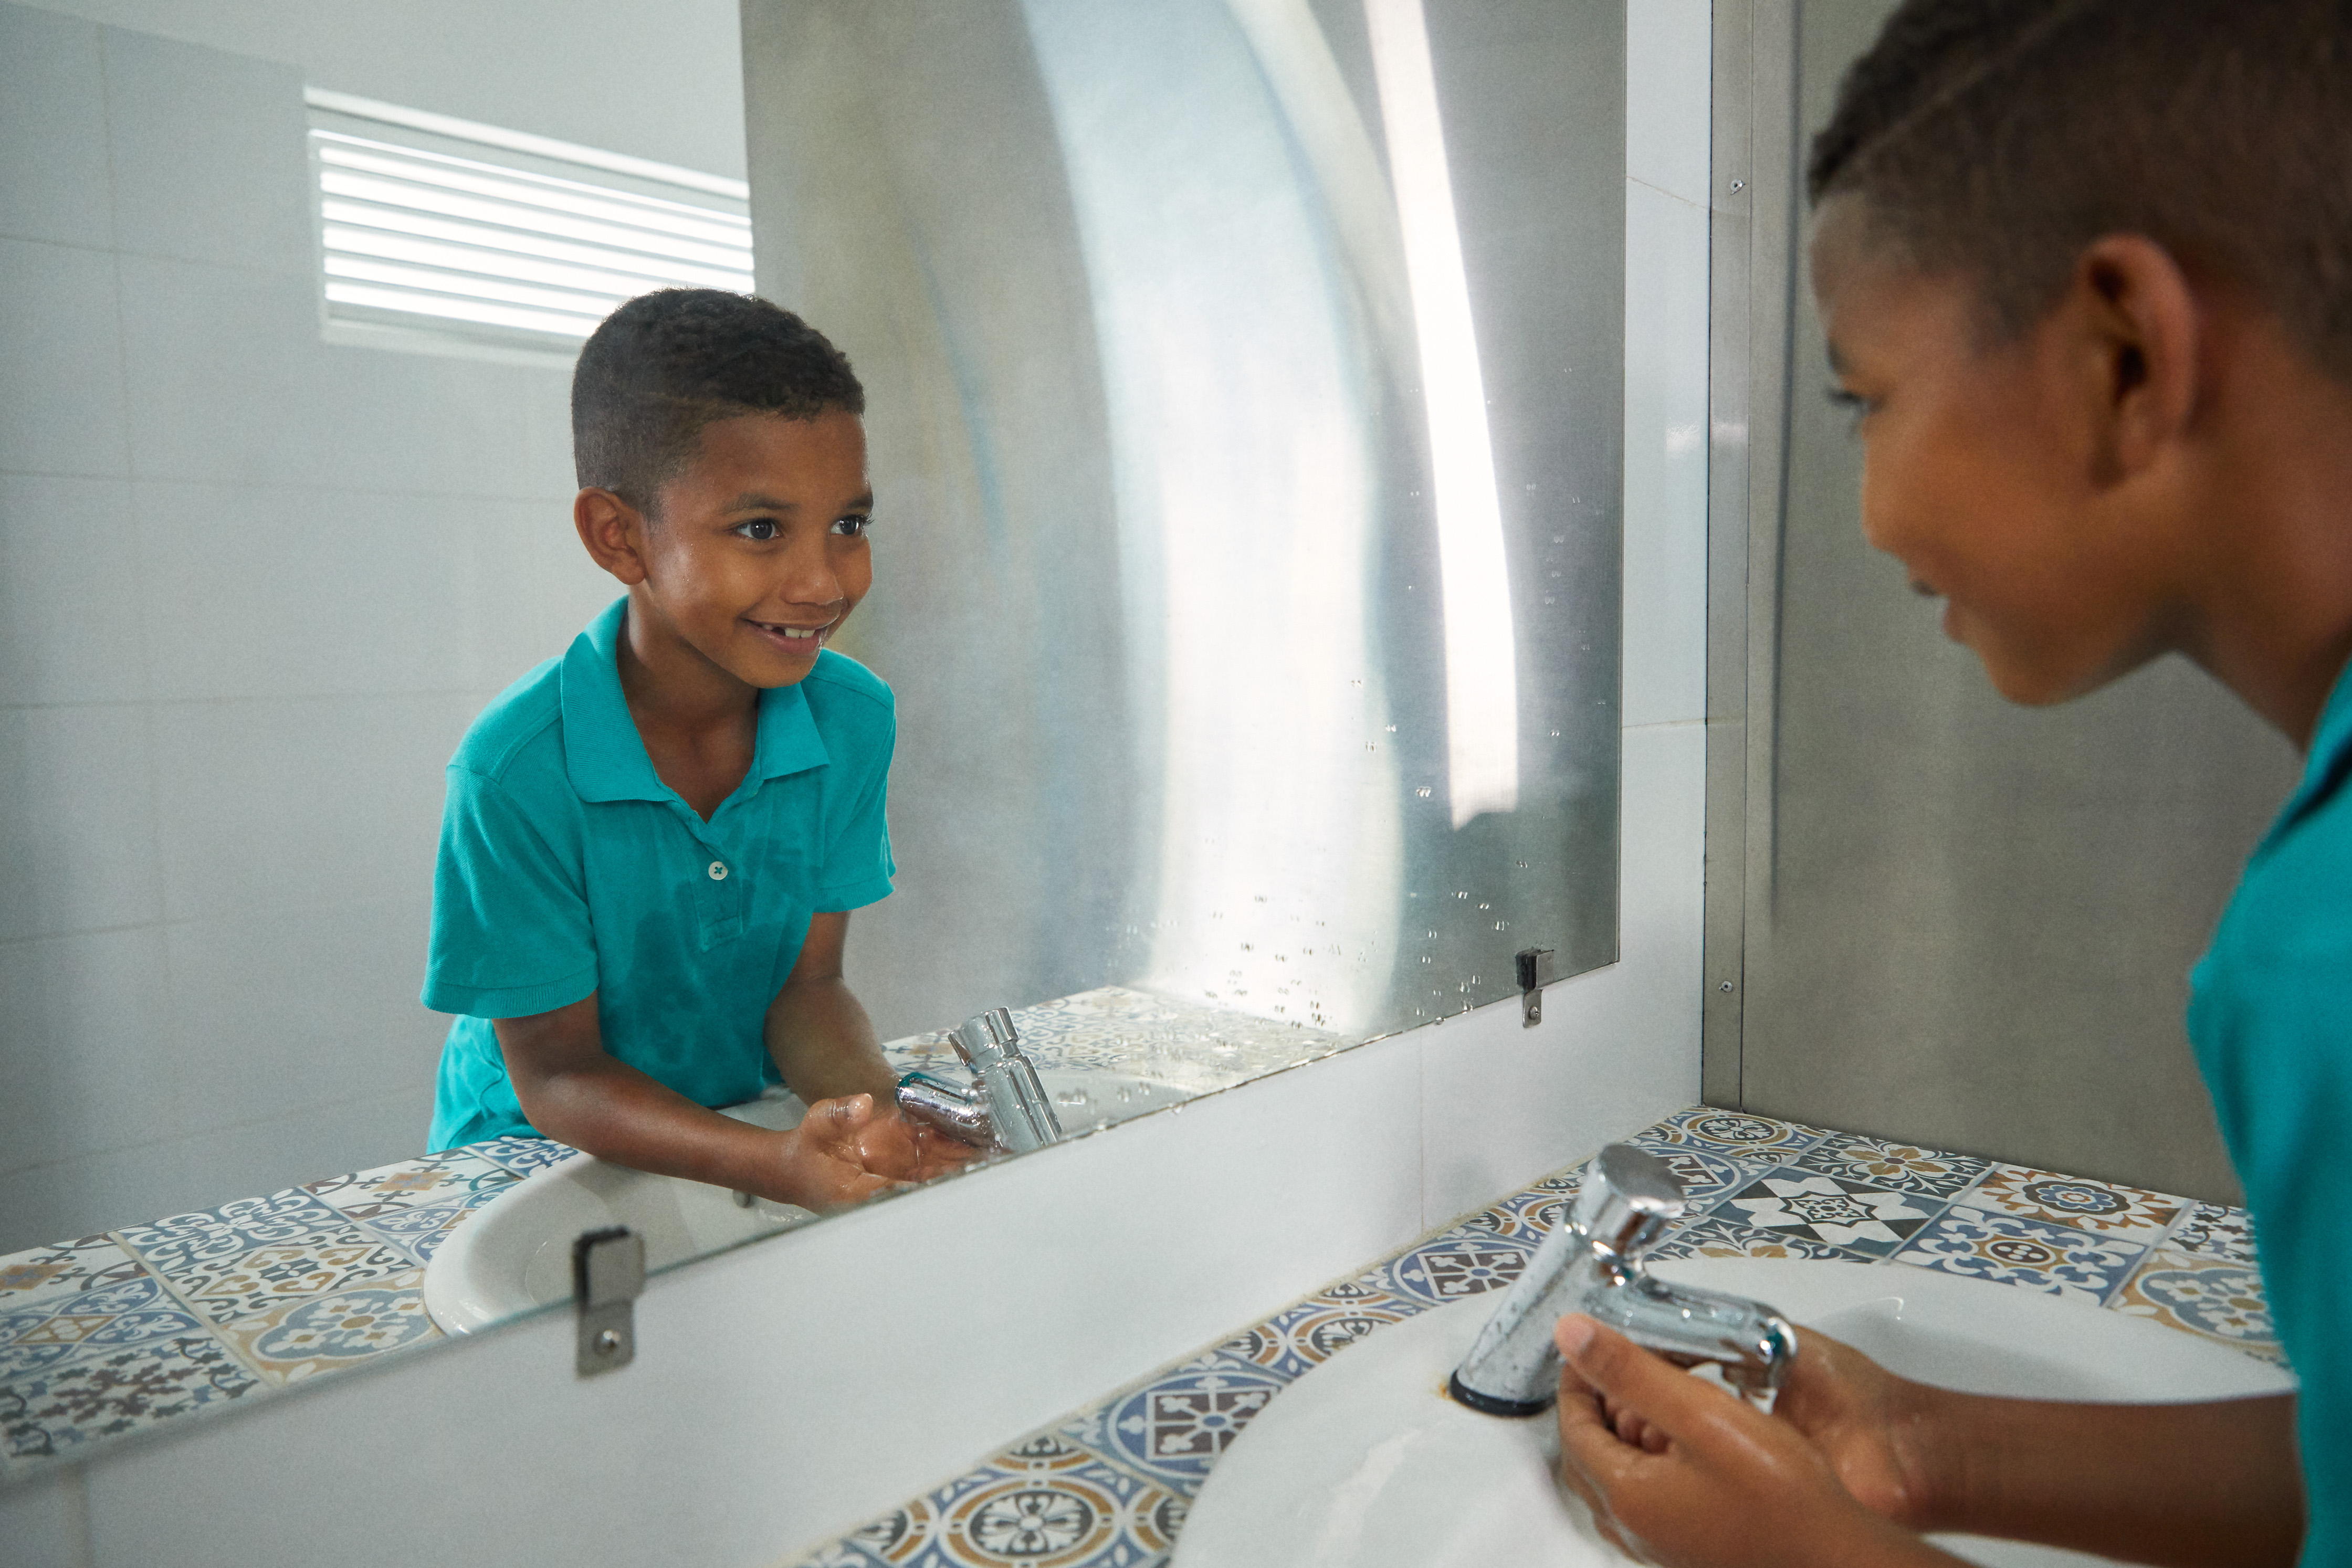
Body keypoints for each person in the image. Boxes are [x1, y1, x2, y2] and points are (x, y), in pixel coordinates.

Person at [1551, 1, 2352, 1563]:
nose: (1863, 510)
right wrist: (1923, 1450)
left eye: (1866, 399)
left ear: (2124, 354)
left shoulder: (2325, 955)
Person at [420, 289, 969, 1210]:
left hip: (732, 1123)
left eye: (848, 525)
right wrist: (775, 1165)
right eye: (761, 530)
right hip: (528, 1170)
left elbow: (807, 987)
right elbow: (557, 1074)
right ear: (620, 537)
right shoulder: (515, 772)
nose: (822, 582)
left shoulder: (850, 719)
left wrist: (869, 1119)